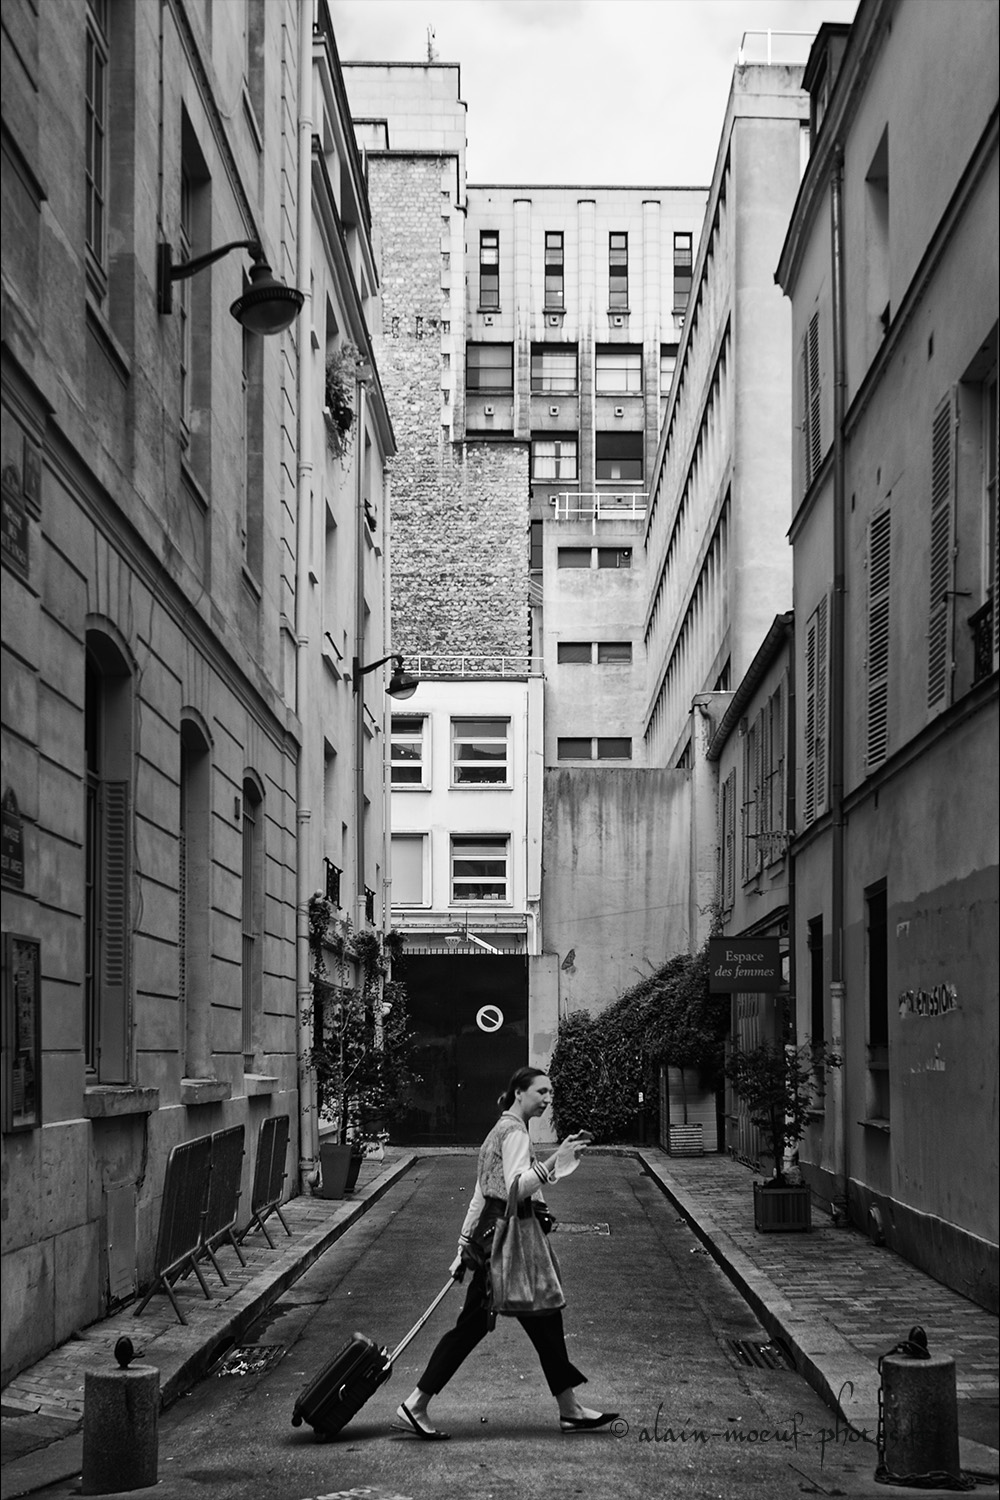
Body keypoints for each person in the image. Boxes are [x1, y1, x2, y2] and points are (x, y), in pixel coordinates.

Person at [396, 1065, 618, 1440]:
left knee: (543, 1318)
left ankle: (570, 1409)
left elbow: (480, 1194)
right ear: (519, 1092)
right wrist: (554, 1160)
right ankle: (415, 1404)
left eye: (550, 1093)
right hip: (508, 1242)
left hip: (495, 1238)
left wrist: (463, 1245)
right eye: (541, 1091)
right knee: (478, 1326)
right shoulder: (514, 1132)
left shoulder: (499, 1130)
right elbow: (516, 1188)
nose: (547, 1099)